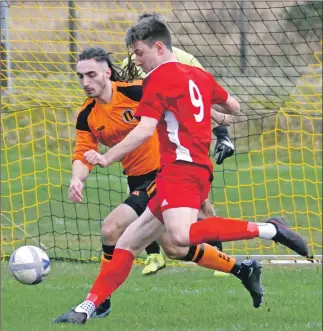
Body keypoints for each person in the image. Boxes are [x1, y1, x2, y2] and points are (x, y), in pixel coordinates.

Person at [53, 17, 309, 324]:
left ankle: (270, 229)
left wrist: (107, 159)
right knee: (129, 243)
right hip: (189, 170)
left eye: (139, 53)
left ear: (158, 47)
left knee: (181, 235)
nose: (136, 60)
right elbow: (234, 108)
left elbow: (145, 130)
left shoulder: (155, 81)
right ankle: (87, 308)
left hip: (180, 170)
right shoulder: (198, 76)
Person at [65, 47, 248, 319]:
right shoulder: (86, 115)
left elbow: (182, 101)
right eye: (80, 77)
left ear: (107, 73)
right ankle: (242, 269)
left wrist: (220, 120)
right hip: (137, 179)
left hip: (165, 172)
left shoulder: (135, 91)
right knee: (175, 248)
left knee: (110, 229)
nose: (85, 82)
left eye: (91, 75)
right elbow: (82, 153)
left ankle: (99, 302)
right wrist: (76, 179)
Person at [122, 12, 234, 262]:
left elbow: (201, 98)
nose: (137, 59)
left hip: (180, 142)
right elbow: (123, 93)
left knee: (199, 207)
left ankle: (220, 254)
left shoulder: (185, 60)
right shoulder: (131, 59)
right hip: (149, 134)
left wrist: (220, 128)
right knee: (144, 193)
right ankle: (153, 254)